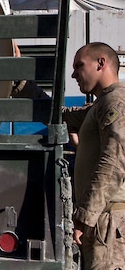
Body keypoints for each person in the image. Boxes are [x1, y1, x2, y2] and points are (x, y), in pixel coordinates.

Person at [62, 42, 125, 269]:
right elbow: (63, 116)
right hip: (102, 224)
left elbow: (113, 163)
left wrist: (84, 218)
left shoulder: (116, 102)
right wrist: (20, 83)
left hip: (109, 226)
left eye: (79, 66)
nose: (74, 74)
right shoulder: (101, 105)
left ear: (101, 63)